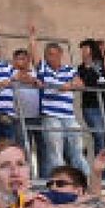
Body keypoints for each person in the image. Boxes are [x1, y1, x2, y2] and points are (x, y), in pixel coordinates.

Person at [37, 41, 89, 177]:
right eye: (48, 55)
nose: (51, 58)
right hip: (50, 115)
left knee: (77, 149)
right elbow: (33, 55)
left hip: (69, 116)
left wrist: (68, 85)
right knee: (55, 151)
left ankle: (86, 181)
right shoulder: (43, 68)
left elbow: (81, 85)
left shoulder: (69, 70)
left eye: (54, 55)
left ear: (61, 55)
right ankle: (59, 181)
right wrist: (32, 37)